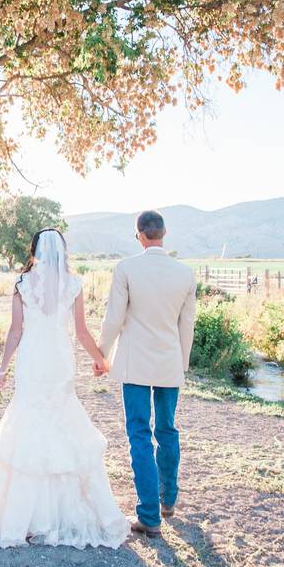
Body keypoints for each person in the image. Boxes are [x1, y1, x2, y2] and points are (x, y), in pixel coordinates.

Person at [0, 228, 128, 549]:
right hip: (59, 358)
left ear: (35, 251)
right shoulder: (73, 285)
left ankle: (23, 519)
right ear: (62, 252)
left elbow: (15, 331)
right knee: (62, 420)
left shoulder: (22, 284)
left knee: (28, 420)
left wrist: (2, 369)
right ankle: (56, 513)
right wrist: (100, 359)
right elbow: (82, 332)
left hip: (33, 359)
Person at [97, 210, 197, 538]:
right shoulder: (185, 273)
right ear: (164, 233)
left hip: (134, 364)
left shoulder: (126, 268)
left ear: (139, 234)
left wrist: (102, 355)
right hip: (169, 363)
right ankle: (168, 501)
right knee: (167, 430)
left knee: (139, 434)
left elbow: (114, 318)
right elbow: (187, 325)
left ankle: (149, 516)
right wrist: (180, 364)